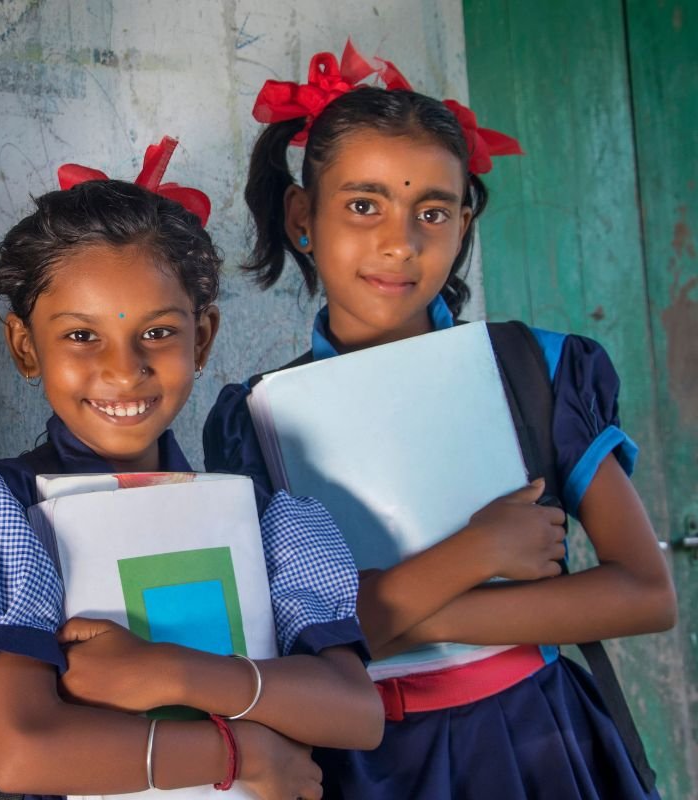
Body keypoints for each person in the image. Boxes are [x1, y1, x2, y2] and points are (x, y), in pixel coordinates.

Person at [203, 41, 677, 799]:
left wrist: (385, 617)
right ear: (303, 216)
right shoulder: (258, 419)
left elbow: (644, 593)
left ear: (464, 224)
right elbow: (285, 645)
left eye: (433, 211)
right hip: (365, 765)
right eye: (364, 206)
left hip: (541, 741)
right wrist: (477, 550)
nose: (401, 242)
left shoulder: (538, 369)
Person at [0, 139, 383, 800]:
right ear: (26, 348)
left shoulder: (260, 514)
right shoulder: (5, 509)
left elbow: (356, 712)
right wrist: (241, 754)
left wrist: (171, 672)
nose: (124, 370)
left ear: (202, 338)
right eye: (82, 336)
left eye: (158, 333)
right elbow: (24, 752)